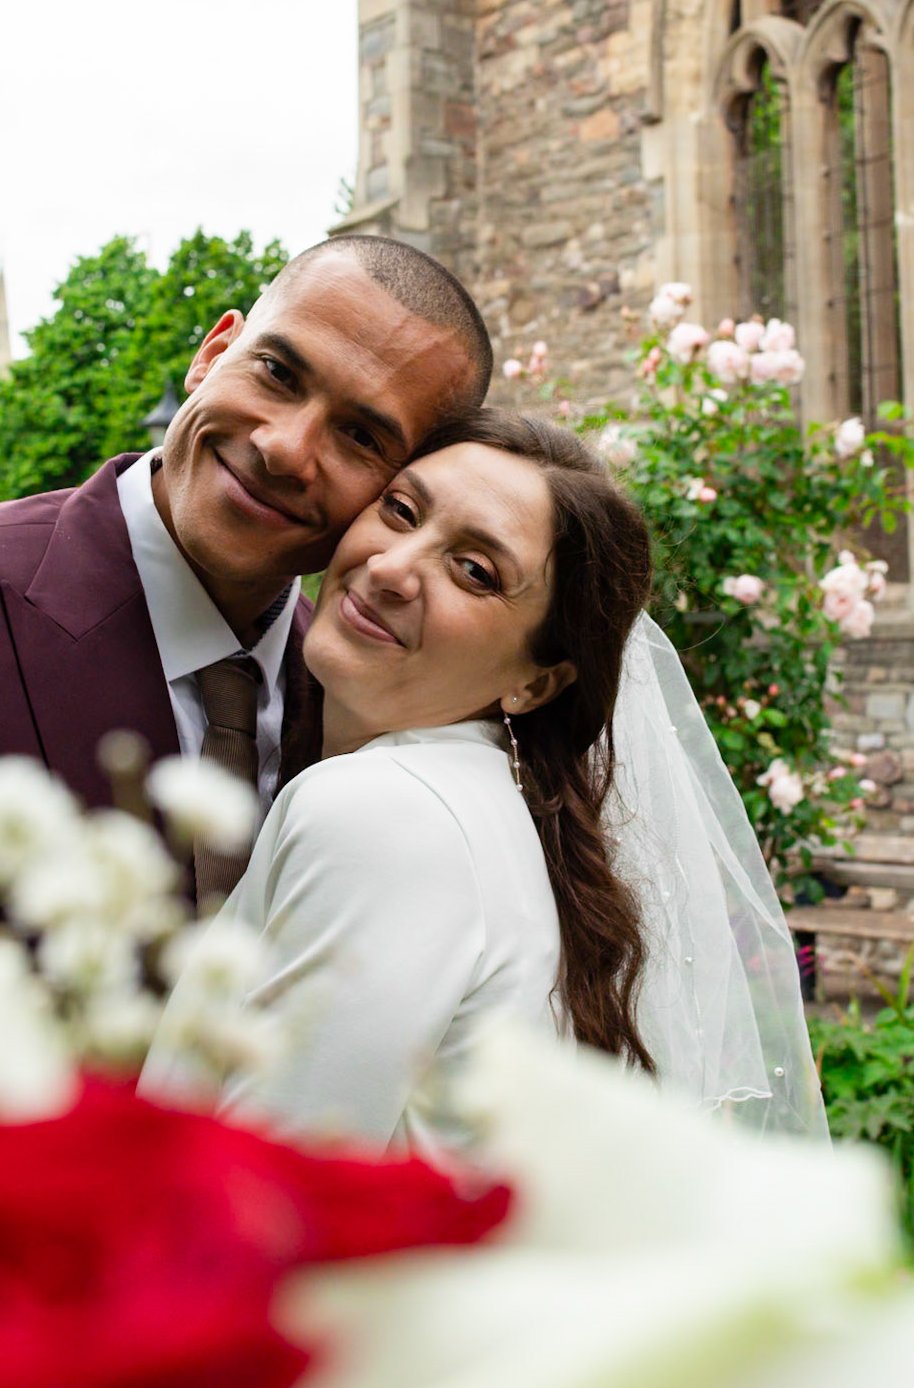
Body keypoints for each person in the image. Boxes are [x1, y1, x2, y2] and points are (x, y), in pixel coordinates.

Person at [141, 410, 827, 1147]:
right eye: (400, 511)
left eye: (474, 572)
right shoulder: (494, 814)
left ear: (536, 684)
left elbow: (260, 1196)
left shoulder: (380, 813)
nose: (391, 568)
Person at [0, 237, 492, 879]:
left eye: (360, 435)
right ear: (212, 353)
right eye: (276, 373)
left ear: (402, 488)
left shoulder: (350, 700)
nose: (282, 447)